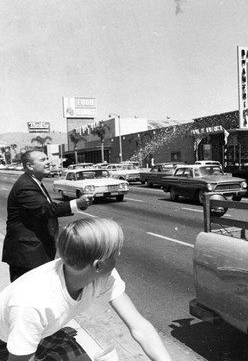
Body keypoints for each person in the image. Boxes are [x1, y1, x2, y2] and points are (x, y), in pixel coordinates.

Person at [0, 217, 173, 361]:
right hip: (7, 342)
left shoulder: (104, 276)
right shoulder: (33, 303)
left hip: (41, 332)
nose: (119, 255)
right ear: (98, 266)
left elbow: (139, 326)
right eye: (115, 252)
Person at [2, 150, 93, 282]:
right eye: (43, 160)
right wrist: (76, 203)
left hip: (32, 252)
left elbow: (45, 209)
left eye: (47, 159)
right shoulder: (25, 186)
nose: (49, 162)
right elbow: (44, 210)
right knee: (26, 295)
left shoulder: (34, 182)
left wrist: (77, 205)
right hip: (27, 255)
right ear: (30, 166)